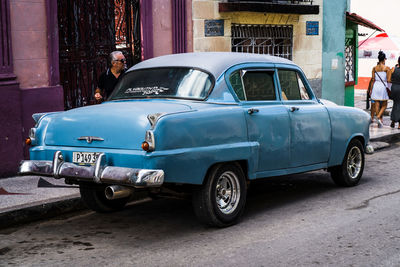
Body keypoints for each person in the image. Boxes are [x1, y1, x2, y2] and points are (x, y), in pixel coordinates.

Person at [369, 51, 391, 127]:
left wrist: (371, 90)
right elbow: (388, 80)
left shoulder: (374, 68)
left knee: (377, 103)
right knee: (385, 104)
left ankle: (378, 119)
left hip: (376, 85)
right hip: (383, 86)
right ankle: (378, 117)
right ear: (384, 59)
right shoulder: (387, 68)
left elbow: (372, 79)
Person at [390, 57, 400, 128]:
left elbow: (389, 78)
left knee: (395, 104)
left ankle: (393, 121)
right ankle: (399, 124)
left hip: (393, 88)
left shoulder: (393, 68)